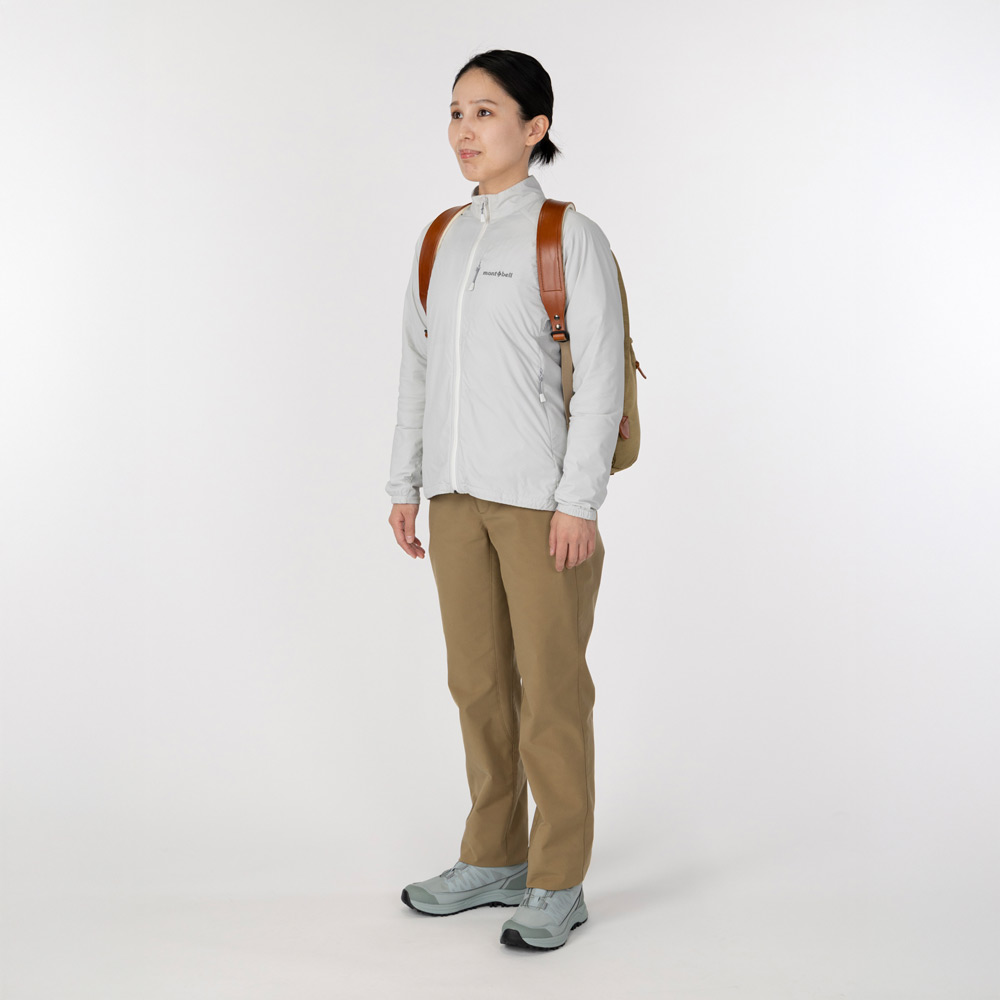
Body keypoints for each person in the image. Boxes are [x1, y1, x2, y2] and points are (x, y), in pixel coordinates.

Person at [385, 49, 625, 951]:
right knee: (478, 685)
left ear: (535, 128)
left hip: (540, 503)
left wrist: (580, 502)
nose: (464, 130)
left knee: (551, 690)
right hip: (454, 500)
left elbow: (601, 378)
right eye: (456, 112)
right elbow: (418, 369)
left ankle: (558, 879)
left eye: (485, 112)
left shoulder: (567, 235)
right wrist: (405, 483)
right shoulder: (440, 238)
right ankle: (494, 857)